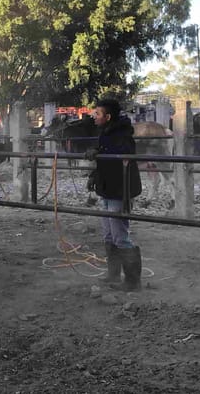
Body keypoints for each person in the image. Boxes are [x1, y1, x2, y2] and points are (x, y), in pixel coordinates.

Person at [85, 98, 143, 292]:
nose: (94, 116)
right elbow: (106, 157)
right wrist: (96, 167)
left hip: (120, 190)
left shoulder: (122, 135)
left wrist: (100, 153)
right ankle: (113, 275)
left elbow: (120, 158)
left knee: (120, 235)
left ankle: (133, 281)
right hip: (108, 189)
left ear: (107, 117)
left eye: (98, 114)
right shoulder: (106, 133)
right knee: (109, 234)